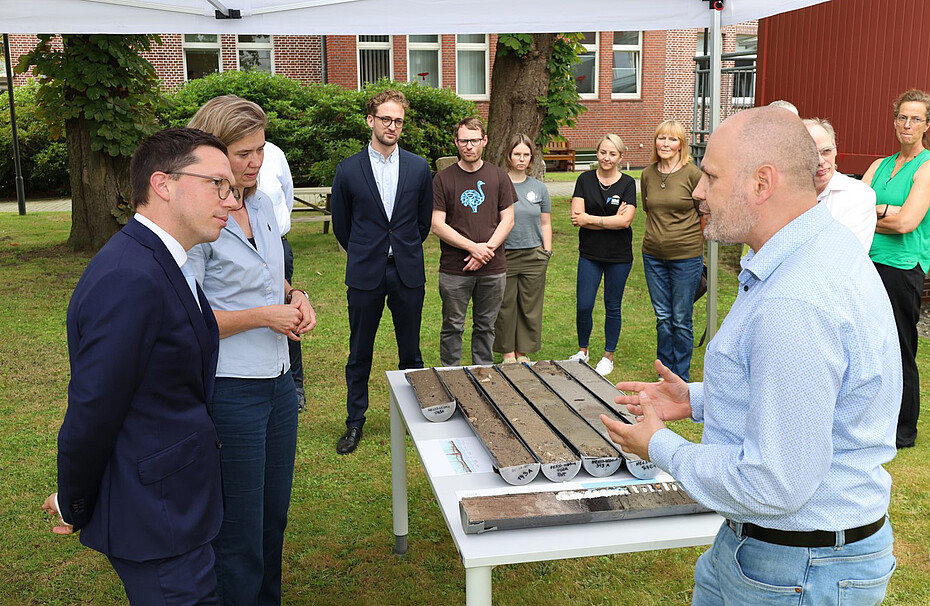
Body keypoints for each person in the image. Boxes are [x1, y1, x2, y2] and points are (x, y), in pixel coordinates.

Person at [601, 107, 900, 605]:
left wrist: (659, 445)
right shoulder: (809, 252)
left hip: (797, 567)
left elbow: (773, 484)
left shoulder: (795, 300)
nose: (698, 191)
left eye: (712, 177)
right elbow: (809, 394)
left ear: (762, 183)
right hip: (772, 551)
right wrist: (696, 399)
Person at [42, 127, 239, 604]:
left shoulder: (165, 260)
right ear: (163, 184)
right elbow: (94, 408)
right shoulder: (130, 274)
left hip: (174, 503)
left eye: (232, 188)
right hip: (155, 517)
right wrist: (74, 498)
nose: (231, 201)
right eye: (218, 184)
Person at [186, 96, 317, 605]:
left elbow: (268, 277)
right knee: (238, 528)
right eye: (243, 153)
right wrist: (265, 316)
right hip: (231, 389)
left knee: (272, 518)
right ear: (212, 152)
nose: (256, 162)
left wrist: (293, 295)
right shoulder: (198, 220)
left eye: (261, 150)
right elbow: (187, 320)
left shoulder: (260, 202)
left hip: (279, 386)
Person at [331, 89, 433, 455]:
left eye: (399, 121)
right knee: (360, 351)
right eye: (386, 119)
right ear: (370, 120)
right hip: (365, 274)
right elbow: (343, 226)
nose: (392, 126)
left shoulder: (420, 168)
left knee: (411, 352)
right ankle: (354, 422)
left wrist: (400, 248)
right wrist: (368, 250)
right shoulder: (348, 170)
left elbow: (422, 223)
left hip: (406, 271)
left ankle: (416, 420)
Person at [864, 88, 930, 450]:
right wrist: (886, 211)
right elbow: (855, 210)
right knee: (866, 346)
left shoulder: (927, 167)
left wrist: (881, 211)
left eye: (915, 118)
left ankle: (903, 430)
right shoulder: (880, 165)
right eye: (902, 117)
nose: (907, 124)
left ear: (926, 125)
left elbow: (907, 223)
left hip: (902, 267)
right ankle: (873, 419)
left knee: (899, 347)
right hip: (868, 261)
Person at [432, 117, 515, 367]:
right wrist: (473, 248)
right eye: (464, 141)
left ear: (484, 141)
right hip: (455, 269)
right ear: (456, 142)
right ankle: (451, 376)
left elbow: (508, 220)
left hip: (493, 268)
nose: (469, 146)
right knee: (452, 326)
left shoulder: (499, 177)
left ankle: (483, 373)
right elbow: (437, 224)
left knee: (486, 326)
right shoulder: (443, 179)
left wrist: (485, 252)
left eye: (474, 140)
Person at [639, 120, 703, 381]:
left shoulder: (693, 175)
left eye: (672, 139)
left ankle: (681, 375)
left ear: (681, 145)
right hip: (653, 255)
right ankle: (665, 373)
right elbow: (648, 208)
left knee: (680, 318)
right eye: (661, 138)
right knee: (663, 316)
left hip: (686, 256)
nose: (666, 144)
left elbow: (704, 214)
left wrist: (693, 241)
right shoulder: (647, 174)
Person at [568, 133, 637, 376]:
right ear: (597, 153)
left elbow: (625, 222)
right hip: (590, 254)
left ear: (620, 156)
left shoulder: (628, 183)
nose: (606, 158)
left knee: (612, 305)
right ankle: (583, 351)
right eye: (603, 152)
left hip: (618, 256)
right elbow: (578, 218)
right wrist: (610, 220)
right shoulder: (585, 180)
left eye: (612, 154)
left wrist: (592, 219)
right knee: (584, 305)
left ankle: (608, 356)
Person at [493, 134, 552, 364]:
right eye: (517, 154)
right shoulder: (498, 184)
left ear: (531, 158)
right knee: (505, 305)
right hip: (505, 255)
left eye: (526, 155)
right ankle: (507, 352)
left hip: (534, 256)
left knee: (529, 306)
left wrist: (546, 251)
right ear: (509, 156)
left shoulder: (539, 189)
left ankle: (523, 352)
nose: (521, 158)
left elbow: (545, 223)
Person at [259, 140, 306, 411]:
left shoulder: (275, 153)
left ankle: (295, 384)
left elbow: (285, 198)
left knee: (286, 312)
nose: (256, 158)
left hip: (276, 242)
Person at [803, 118, 876, 252]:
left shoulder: (858, 195)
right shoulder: (784, 195)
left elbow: (844, 254)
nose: (820, 161)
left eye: (826, 151)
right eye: (811, 154)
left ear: (835, 149)